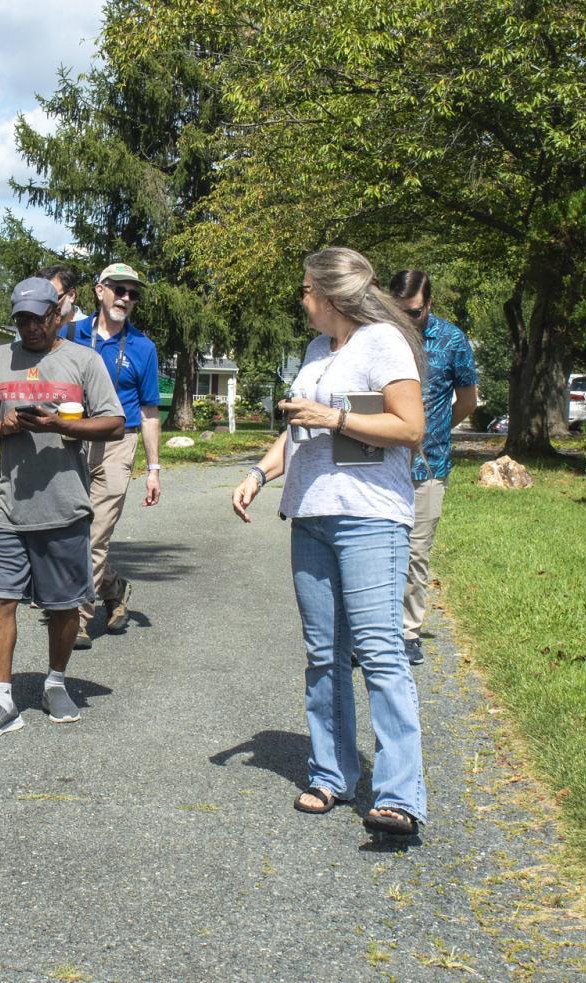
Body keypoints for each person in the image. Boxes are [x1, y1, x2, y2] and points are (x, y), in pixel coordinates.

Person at [230, 247, 429, 837]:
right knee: (324, 654)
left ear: (331, 293)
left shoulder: (384, 343)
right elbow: (298, 430)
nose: (302, 299)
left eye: (306, 290)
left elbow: (409, 428)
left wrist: (335, 418)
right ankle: (331, 774)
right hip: (312, 516)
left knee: (379, 653)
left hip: (369, 517)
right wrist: (260, 473)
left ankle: (400, 796)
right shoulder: (319, 352)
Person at [0, 276, 123, 740]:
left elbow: (114, 421)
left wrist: (62, 425)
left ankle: (55, 682)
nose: (30, 328)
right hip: (7, 506)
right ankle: (1, 699)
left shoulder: (83, 361)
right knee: (1, 598)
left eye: (38, 319)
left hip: (65, 506)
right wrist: (3, 425)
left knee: (63, 605)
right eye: (22, 320)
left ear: (58, 314)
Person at [68, 263, 162, 647]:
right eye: (119, 290)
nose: (126, 298)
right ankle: (113, 585)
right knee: (66, 532)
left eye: (133, 293)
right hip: (70, 438)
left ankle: (76, 619)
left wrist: (154, 468)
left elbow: (150, 411)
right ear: (99, 291)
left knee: (95, 534)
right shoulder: (70, 334)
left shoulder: (143, 347)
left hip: (118, 444)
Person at [387, 270, 478, 665]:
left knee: (414, 553)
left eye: (416, 313)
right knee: (377, 551)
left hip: (429, 464)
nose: (409, 320)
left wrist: (435, 430)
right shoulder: (380, 336)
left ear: (430, 304)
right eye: (401, 312)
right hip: (380, 464)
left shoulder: (452, 340)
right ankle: (372, 634)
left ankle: (408, 633)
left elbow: (468, 401)